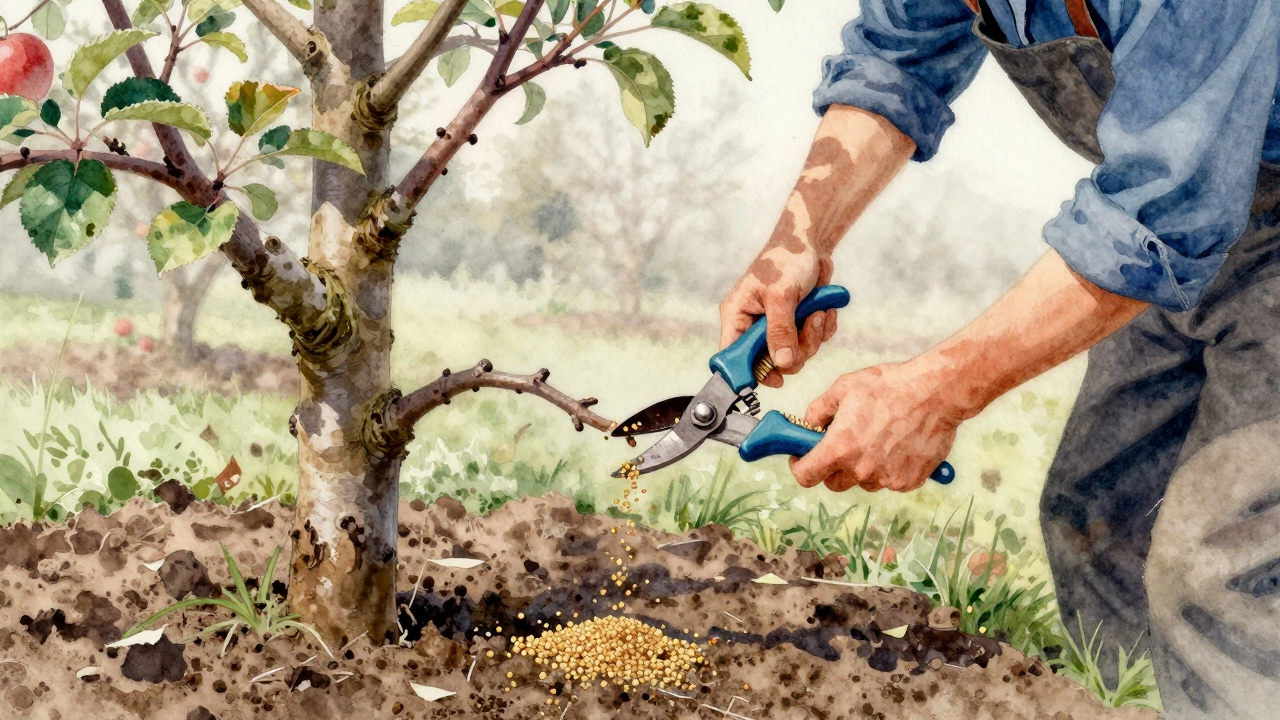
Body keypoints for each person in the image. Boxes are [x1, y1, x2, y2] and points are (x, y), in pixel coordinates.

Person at [717, 0, 1280, 717]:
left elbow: (1159, 215)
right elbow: (896, 60)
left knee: (1222, 563)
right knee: (1100, 516)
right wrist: (800, 237)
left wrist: (937, 392)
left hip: (1191, 222)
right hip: (1184, 240)